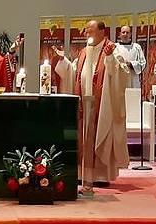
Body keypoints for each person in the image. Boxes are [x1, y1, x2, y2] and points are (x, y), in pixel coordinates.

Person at [53, 20, 129, 188]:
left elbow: (122, 75)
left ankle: (100, 175)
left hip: (103, 107)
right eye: (86, 31)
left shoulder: (113, 50)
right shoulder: (84, 52)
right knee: (82, 136)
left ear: (102, 32)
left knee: (100, 134)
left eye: (90, 31)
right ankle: (82, 174)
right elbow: (73, 73)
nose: (86, 34)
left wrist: (109, 59)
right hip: (83, 106)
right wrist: (63, 61)